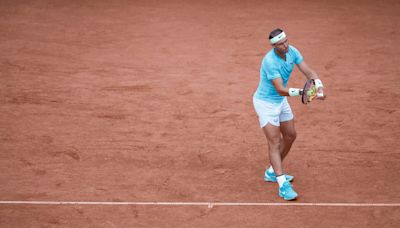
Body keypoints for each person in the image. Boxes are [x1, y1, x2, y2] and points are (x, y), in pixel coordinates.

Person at [253, 28, 325, 200]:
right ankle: (282, 184)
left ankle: (271, 171)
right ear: (274, 46)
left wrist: (319, 85)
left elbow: (308, 71)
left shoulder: (292, 51)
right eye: (281, 44)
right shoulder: (270, 61)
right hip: (266, 104)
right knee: (275, 142)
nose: (285, 45)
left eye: (286, 41)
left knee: (291, 135)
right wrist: (305, 92)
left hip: (280, 102)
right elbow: (280, 89)